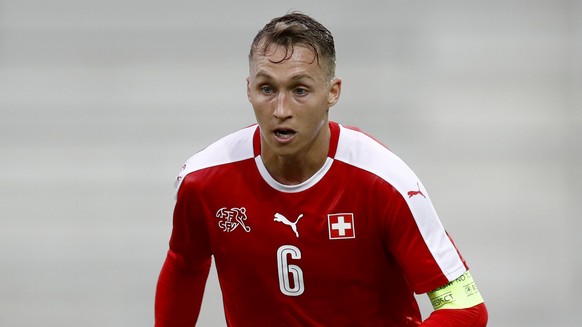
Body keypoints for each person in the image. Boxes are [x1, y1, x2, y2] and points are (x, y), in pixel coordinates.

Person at [155, 12, 488, 326]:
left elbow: (465, 306)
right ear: (249, 90)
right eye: (267, 89)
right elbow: (185, 266)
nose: (281, 110)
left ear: (332, 92)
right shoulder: (204, 180)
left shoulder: (385, 182)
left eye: (300, 90)